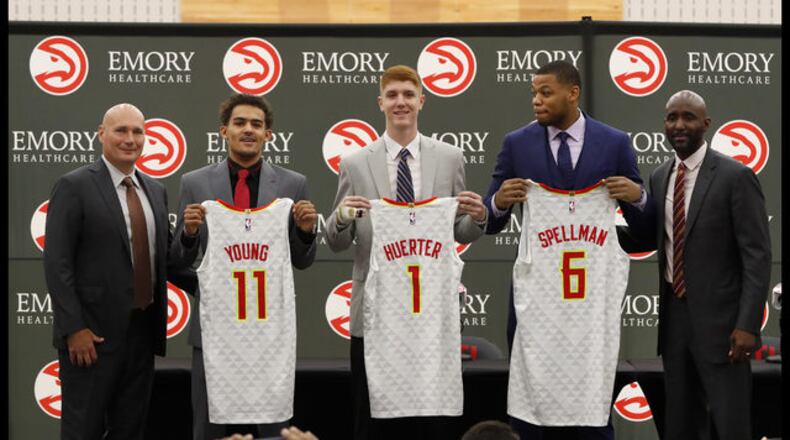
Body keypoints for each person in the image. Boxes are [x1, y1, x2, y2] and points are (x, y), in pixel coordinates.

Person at [481, 60, 649, 439]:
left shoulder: (614, 142)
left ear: (572, 93)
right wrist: (499, 203)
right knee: (533, 407)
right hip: (537, 302)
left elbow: (643, 228)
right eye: (533, 94)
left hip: (591, 306)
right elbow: (490, 222)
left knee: (590, 403)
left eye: (545, 92)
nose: (536, 101)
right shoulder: (517, 143)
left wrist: (637, 197)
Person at [325, 64, 487, 439]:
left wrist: (477, 219)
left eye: (409, 95)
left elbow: (456, 230)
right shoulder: (354, 161)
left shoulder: (450, 157)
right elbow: (335, 241)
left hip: (431, 312)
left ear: (422, 101)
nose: (401, 103)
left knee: (431, 422)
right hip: (375, 312)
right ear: (380, 102)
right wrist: (343, 217)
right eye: (393, 95)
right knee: (372, 419)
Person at [170, 93, 318, 440]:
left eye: (256, 124)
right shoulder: (195, 183)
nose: (248, 130)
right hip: (214, 330)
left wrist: (307, 232)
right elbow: (177, 261)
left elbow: (301, 260)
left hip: (269, 331)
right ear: (224, 131)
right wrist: (189, 234)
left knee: (274, 428)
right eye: (240, 123)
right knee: (208, 428)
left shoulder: (292, 184)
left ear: (269, 134)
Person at [635, 90, 771, 439]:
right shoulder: (659, 176)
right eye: (671, 118)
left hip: (725, 329)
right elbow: (650, 238)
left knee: (731, 426)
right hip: (674, 326)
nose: (679, 125)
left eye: (688, 117)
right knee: (680, 426)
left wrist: (748, 325)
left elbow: (756, 257)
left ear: (705, 124)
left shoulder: (735, 176)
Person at [44, 103, 176, 440]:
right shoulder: (73, 185)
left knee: (129, 430)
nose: (130, 139)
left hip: (143, 335)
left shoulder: (156, 190)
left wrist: (217, 285)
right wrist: (74, 329)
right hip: (91, 339)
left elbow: (167, 259)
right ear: (102, 134)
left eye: (138, 131)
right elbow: (57, 263)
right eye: (121, 131)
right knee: (82, 431)